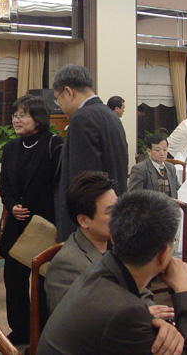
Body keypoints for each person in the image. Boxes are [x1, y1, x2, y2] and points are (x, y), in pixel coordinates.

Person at [37, 190, 187, 355]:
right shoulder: (125, 313)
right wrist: (186, 289)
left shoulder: (100, 269)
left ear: (114, 237)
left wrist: (151, 321)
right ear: (163, 255)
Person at [0, 95, 63, 345]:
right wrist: (11, 205)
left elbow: (61, 185)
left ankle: (43, 332)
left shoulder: (54, 144)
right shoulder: (10, 149)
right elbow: (4, 183)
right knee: (13, 280)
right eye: (15, 115)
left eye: (22, 115)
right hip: (17, 225)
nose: (16, 120)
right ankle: (21, 330)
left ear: (38, 118)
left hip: (45, 226)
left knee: (43, 282)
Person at [52, 64, 128, 242]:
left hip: (88, 226)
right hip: (110, 217)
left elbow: (84, 181)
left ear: (68, 92)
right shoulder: (111, 116)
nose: (59, 106)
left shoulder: (82, 118)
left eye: (57, 99)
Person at [129, 134, 181, 198]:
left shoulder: (171, 168)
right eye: (157, 150)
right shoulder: (140, 169)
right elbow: (134, 196)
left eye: (165, 150)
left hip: (170, 204)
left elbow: (177, 191)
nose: (162, 153)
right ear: (149, 151)